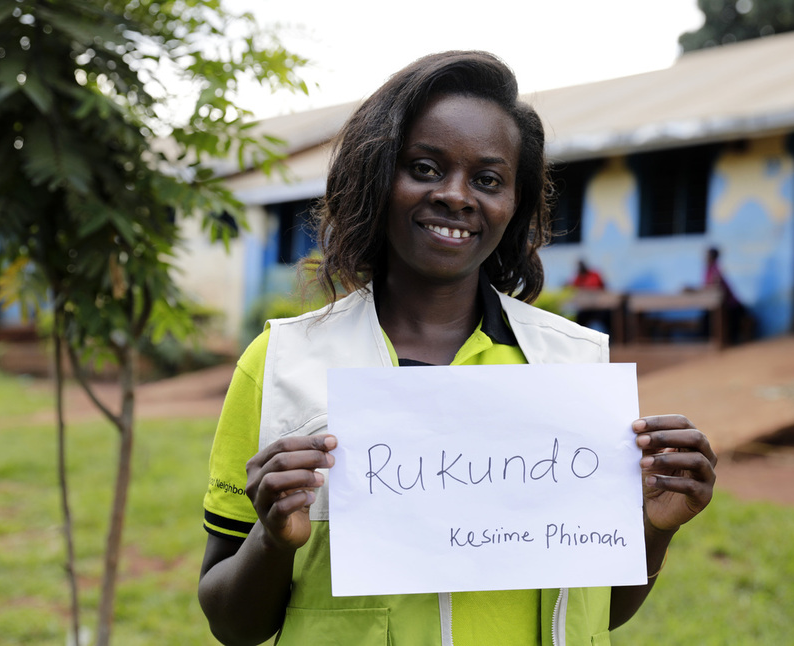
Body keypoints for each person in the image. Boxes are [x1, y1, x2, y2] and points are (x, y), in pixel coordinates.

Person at [198, 51, 717, 646]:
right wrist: (271, 539)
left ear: (513, 203)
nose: (456, 196)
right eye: (423, 167)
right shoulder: (283, 363)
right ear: (376, 177)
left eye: (488, 179)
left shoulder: (570, 367)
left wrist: (652, 531)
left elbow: (598, 611)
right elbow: (231, 624)